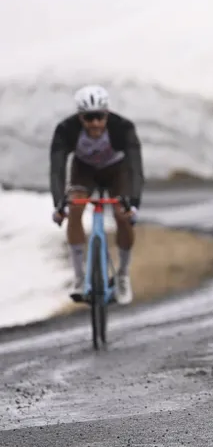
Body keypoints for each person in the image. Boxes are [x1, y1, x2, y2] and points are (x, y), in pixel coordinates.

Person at [49, 85, 144, 305]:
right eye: (88, 118)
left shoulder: (123, 127)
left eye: (99, 117)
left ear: (107, 114)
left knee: (122, 215)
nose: (94, 124)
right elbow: (57, 169)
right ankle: (80, 278)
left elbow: (135, 167)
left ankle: (122, 275)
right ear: (79, 117)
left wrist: (134, 203)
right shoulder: (65, 129)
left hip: (116, 171)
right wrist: (58, 204)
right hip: (84, 171)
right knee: (75, 208)